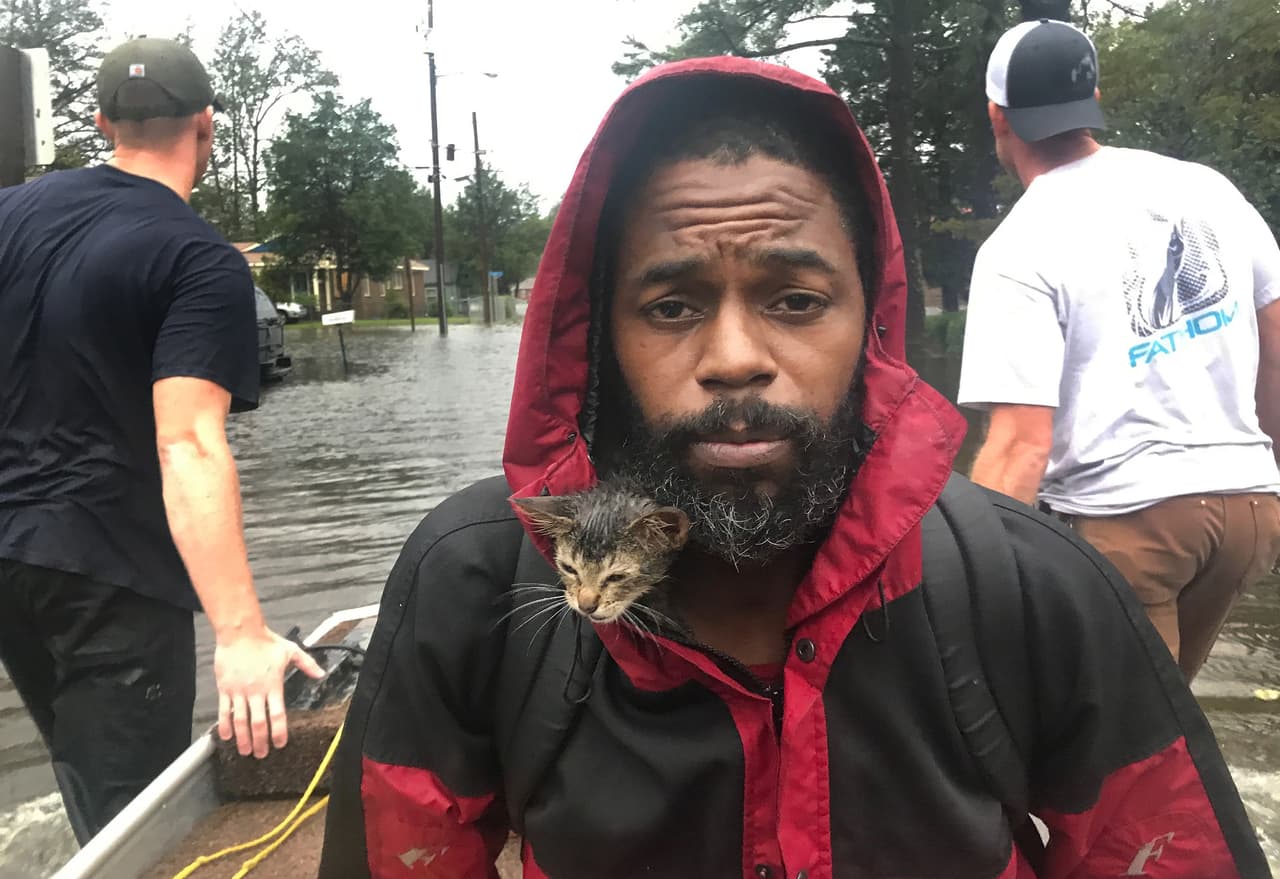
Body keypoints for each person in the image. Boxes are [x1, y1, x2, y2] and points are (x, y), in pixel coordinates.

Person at [318, 58, 1269, 878]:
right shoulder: (474, 583)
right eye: (672, 307)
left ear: (872, 325)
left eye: (798, 300)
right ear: (598, 338)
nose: (735, 358)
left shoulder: (1039, 587)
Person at [0, 37, 322, 844]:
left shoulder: (8, 216)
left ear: (104, 123)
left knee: (86, 785)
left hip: (8, 556)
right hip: (110, 575)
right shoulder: (199, 259)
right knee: (134, 828)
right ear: (205, 127)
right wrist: (240, 633)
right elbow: (188, 442)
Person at [958, 19, 1280, 682]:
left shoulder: (1018, 245)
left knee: (1115, 736)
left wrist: (968, 592)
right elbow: (1276, 345)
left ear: (998, 115)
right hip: (1250, 509)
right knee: (1171, 719)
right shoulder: (1207, 188)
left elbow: (1019, 445)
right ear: (1093, 98)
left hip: (1131, 521)